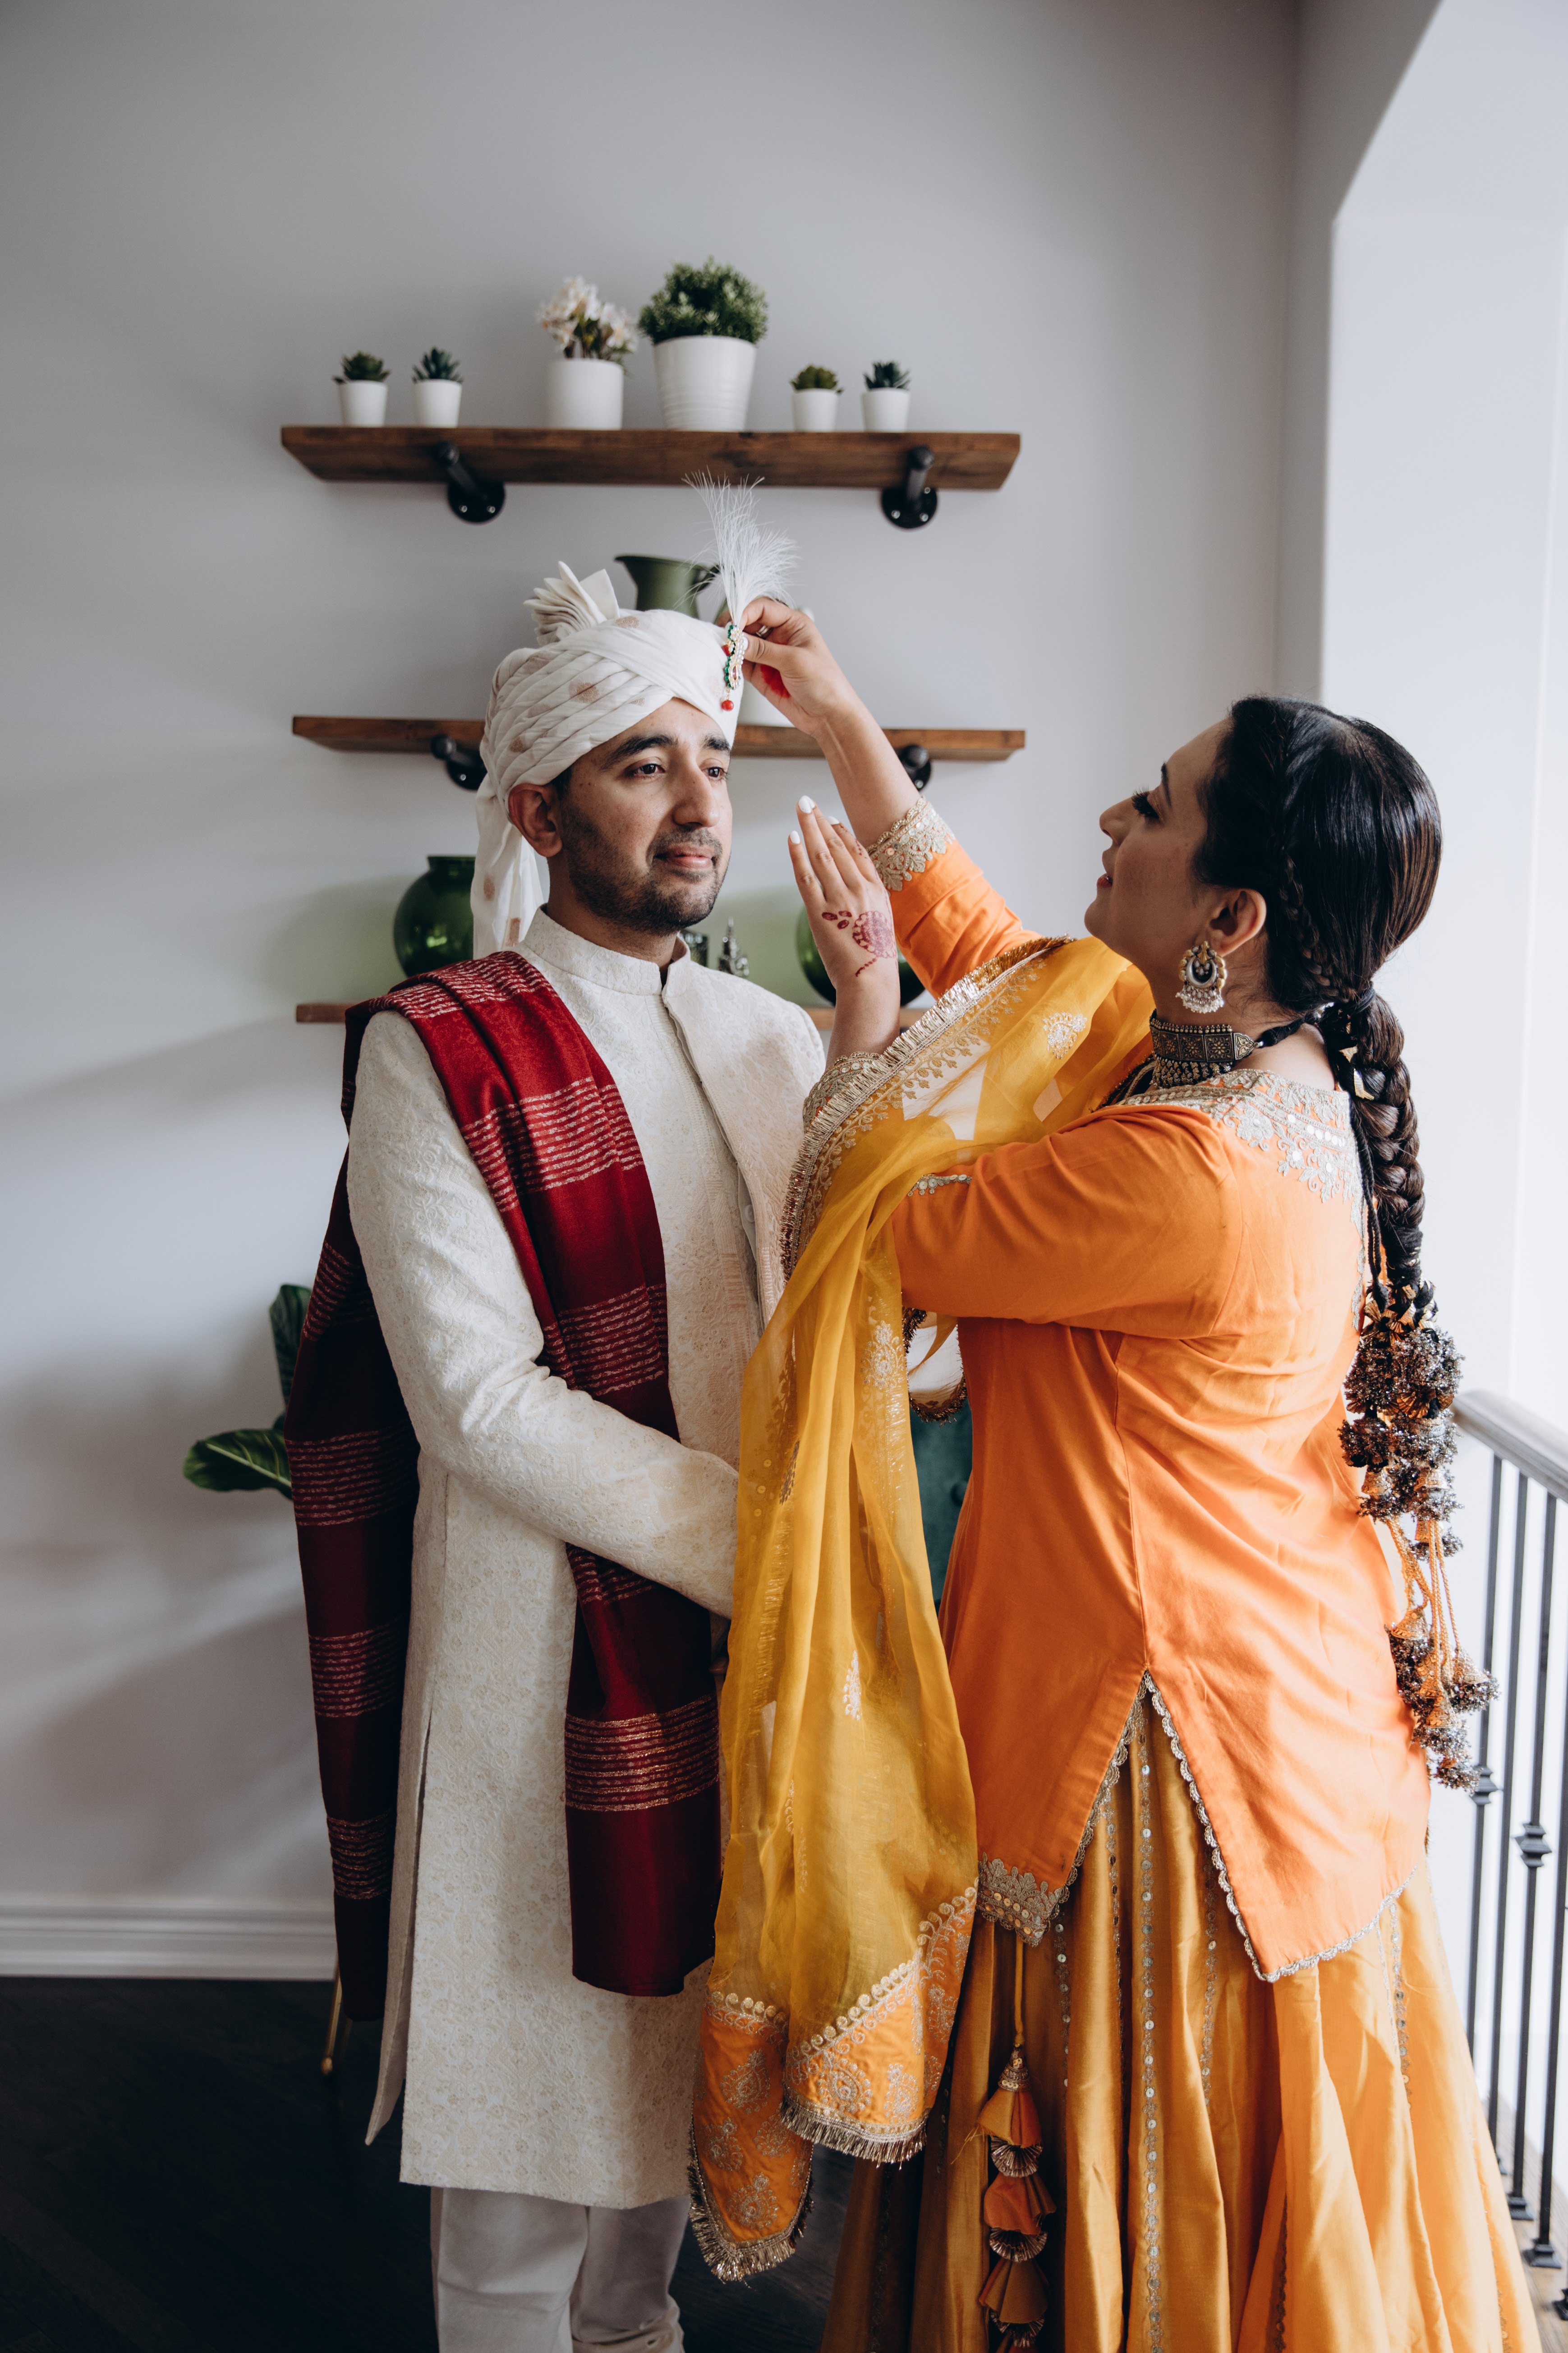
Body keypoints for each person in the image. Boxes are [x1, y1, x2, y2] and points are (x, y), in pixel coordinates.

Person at [686, 604, 1537, 2348]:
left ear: (1230, 918)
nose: (1109, 819)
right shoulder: (1258, 1071)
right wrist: (838, 715)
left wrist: (863, 1010)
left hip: (1151, 1752)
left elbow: (857, 1221)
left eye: (1152, 805)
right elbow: (1009, 964)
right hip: (1292, 1717)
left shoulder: (1172, 1175)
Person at [285, 524, 822, 2353]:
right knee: (525, 2136)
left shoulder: (775, 1040)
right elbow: (476, 1397)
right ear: (538, 808)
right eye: (642, 763)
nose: (699, 805)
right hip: (541, 1645)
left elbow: (852, 1323)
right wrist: (770, 1547)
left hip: (739, 1663)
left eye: (716, 761)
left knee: (668, 2112)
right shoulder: (437, 1046)